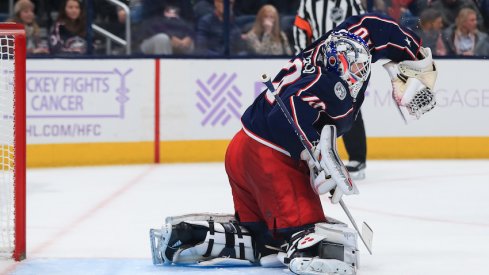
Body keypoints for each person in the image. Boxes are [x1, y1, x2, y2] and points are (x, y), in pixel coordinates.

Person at [150, 12, 438, 275]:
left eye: (362, 70)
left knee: (263, 234)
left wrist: (416, 59)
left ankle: (193, 235)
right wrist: (319, 159)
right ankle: (295, 242)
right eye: (355, 71)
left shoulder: (334, 45)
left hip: (242, 149)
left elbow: (372, 27)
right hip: (271, 161)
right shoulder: (330, 85)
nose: (358, 76)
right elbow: (286, 112)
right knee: (323, 241)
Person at [293, 0, 368, 179]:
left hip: (347, 63)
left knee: (350, 108)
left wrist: (355, 58)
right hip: (319, 63)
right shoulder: (309, 3)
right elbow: (301, 29)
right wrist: (304, 58)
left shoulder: (352, 2)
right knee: (315, 109)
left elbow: (361, 26)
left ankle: (357, 159)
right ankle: (317, 158)